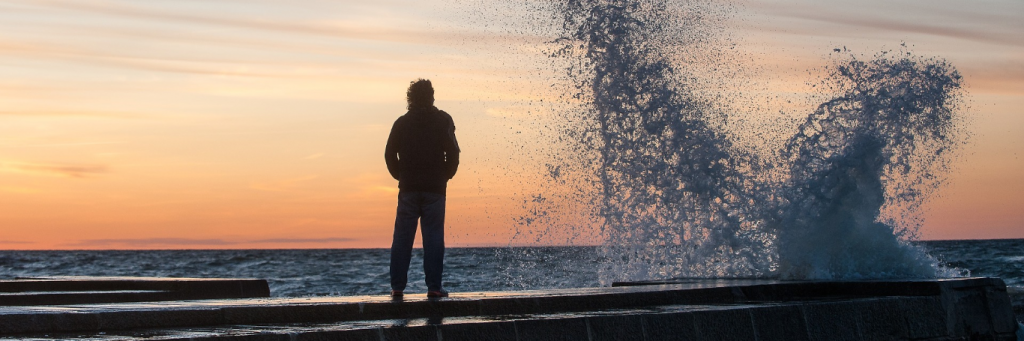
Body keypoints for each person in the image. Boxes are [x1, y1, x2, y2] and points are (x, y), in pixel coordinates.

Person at [384, 79, 460, 298]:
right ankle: (434, 288)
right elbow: (454, 153)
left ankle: (397, 287)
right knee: (434, 237)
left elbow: (389, 154)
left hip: (409, 188)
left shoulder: (401, 123)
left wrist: (401, 176)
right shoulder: (443, 120)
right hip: (434, 189)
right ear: (431, 96)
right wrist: (445, 176)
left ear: (410, 98)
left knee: (402, 238)